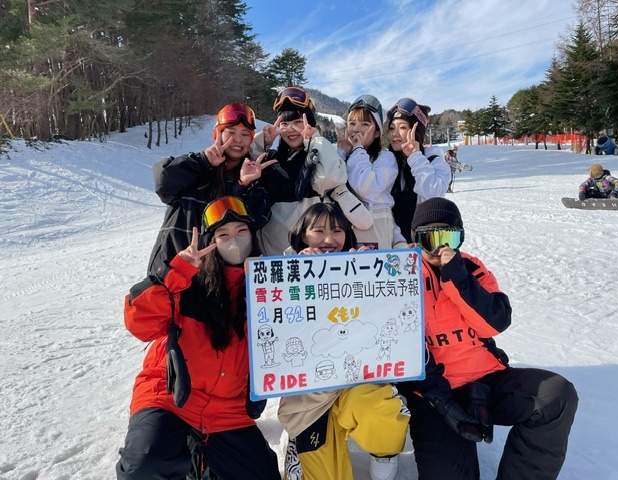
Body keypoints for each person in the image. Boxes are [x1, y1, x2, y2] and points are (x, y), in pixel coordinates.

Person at [398, 197, 579, 480]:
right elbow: (391, 339)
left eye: (448, 237)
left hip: (486, 380)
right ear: (413, 237)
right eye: (428, 238)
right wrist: (441, 400)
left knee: (555, 395)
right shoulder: (398, 273)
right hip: (433, 393)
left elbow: (494, 323)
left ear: (461, 237)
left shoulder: (472, 268)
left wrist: (456, 277)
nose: (439, 248)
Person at [116, 196, 281, 480]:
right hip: (170, 397)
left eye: (242, 231)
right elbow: (139, 323)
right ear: (210, 241)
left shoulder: (268, 289)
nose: (234, 240)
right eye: (223, 234)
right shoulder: (187, 281)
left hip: (228, 410)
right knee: (143, 468)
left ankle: (202, 463)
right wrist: (176, 272)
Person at [279, 202, 410, 480]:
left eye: (337, 231)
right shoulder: (280, 274)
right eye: (319, 231)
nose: (329, 239)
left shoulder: (360, 265)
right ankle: (296, 442)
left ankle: (384, 454)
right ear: (303, 235)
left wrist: (372, 273)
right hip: (309, 397)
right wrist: (301, 276)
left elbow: (389, 320)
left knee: (379, 407)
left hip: (357, 380)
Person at [147, 103, 275, 276]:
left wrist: (243, 185)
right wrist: (203, 161)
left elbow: (258, 220)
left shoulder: (252, 180)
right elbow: (163, 181)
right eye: (230, 132)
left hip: (217, 281)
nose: (237, 139)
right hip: (175, 271)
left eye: (245, 134)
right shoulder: (197, 171)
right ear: (218, 135)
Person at [254, 86, 372, 256]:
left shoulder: (320, 161)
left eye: (298, 122)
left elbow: (331, 178)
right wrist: (260, 143)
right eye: (285, 124)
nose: (291, 129)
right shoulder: (270, 161)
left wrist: (315, 140)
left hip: (315, 264)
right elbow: (246, 172)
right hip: (274, 262)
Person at [338, 94, 407, 250]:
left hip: (376, 227)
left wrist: (358, 150)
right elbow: (331, 183)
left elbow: (365, 187)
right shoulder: (344, 154)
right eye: (352, 123)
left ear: (377, 132)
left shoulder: (386, 158)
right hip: (343, 227)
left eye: (364, 124)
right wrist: (342, 153)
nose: (356, 129)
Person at [386, 98, 451, 243]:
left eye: (402, 127)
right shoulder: (387, 161)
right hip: (392, 243)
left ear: (417, 132)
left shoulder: (434, 159)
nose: (394, 133)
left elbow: (434, 194)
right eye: (391, 128)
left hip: (424, 243)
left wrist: (415, 156)